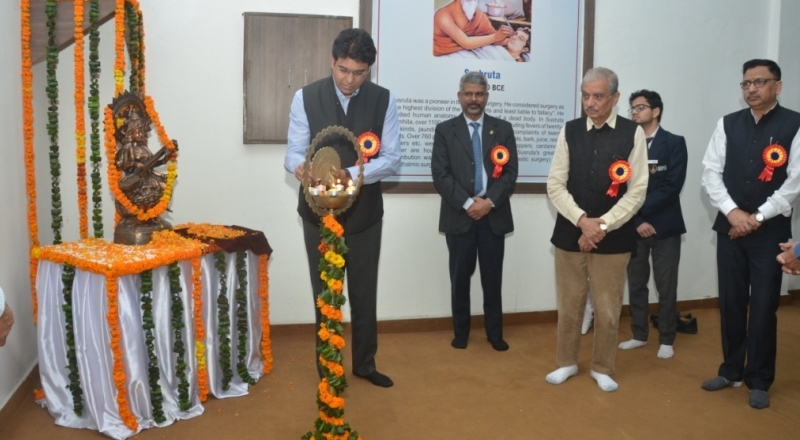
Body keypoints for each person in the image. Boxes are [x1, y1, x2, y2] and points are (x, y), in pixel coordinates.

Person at [284, 28, 401, 388]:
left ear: (369, 70)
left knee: (364, 293)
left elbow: (392, 159)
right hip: (317, 215)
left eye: (359, 73)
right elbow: (292, 152)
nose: (350, 80)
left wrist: (350, 173)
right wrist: (300, 167)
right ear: (332, 61)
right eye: (343, 70)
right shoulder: (305, 97)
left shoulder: (384, 100)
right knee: (325, 294)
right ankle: (327, 367)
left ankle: (364, 363)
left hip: (366, 216)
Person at [700, 59, 800, 409]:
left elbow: (794, 182)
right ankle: (731, 370)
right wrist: (733, 213)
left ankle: (759, 378)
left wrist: (757, 217)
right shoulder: (727, 123)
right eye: (746, 83)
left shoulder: (795, 124)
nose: (751, 89)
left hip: (770, 233)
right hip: (730, 228)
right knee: (730, 302)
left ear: (778, 86)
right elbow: (710, 173)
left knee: (763, 306)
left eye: (759, 82)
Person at [545, 67, 648, 392]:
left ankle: (602, 367)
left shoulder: (632, 133)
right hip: (570, 234)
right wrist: (582, 221)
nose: (590, 102)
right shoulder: (570, 130)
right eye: (585, 95)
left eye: (598, 96)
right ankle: (566, 362)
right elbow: (555, 184)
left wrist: (602, 225)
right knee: (569, 305)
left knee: (607, 309)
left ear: (615, 98)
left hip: (613, 238)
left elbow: (637, 190)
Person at [431, 71, 518, 351]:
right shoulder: (445, 130)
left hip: (493, 216)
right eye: (468, 94)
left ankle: (495, 334)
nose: (473, 99)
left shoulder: (503, 129)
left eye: (479, 94)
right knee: (459, 279)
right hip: (460, 216)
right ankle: (461, 333)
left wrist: (488, 202)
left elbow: (510, 174)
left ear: (486, 97)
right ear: (459, 96)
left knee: (493, 280)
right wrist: (469, 204)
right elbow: (440, 174)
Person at [617, 90, 687, 359]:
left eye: (640, 107)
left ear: (656, 111)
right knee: (636, 283)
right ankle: (639, 334)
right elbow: (618, 186)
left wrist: (640, 212)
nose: (634, 112)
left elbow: (672, 185)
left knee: (666, 285)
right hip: (633, 226)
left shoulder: (674, 143)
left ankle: (667, 338)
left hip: (664, 227)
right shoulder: (626, 143)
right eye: (632, 108)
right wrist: (637, 219)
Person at [433, 0, 513, 56]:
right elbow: (466, 43)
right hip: (444, 58)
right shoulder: (443, 15)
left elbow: (495, 39)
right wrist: (495, 37)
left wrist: (513, 39)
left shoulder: (479, 16)